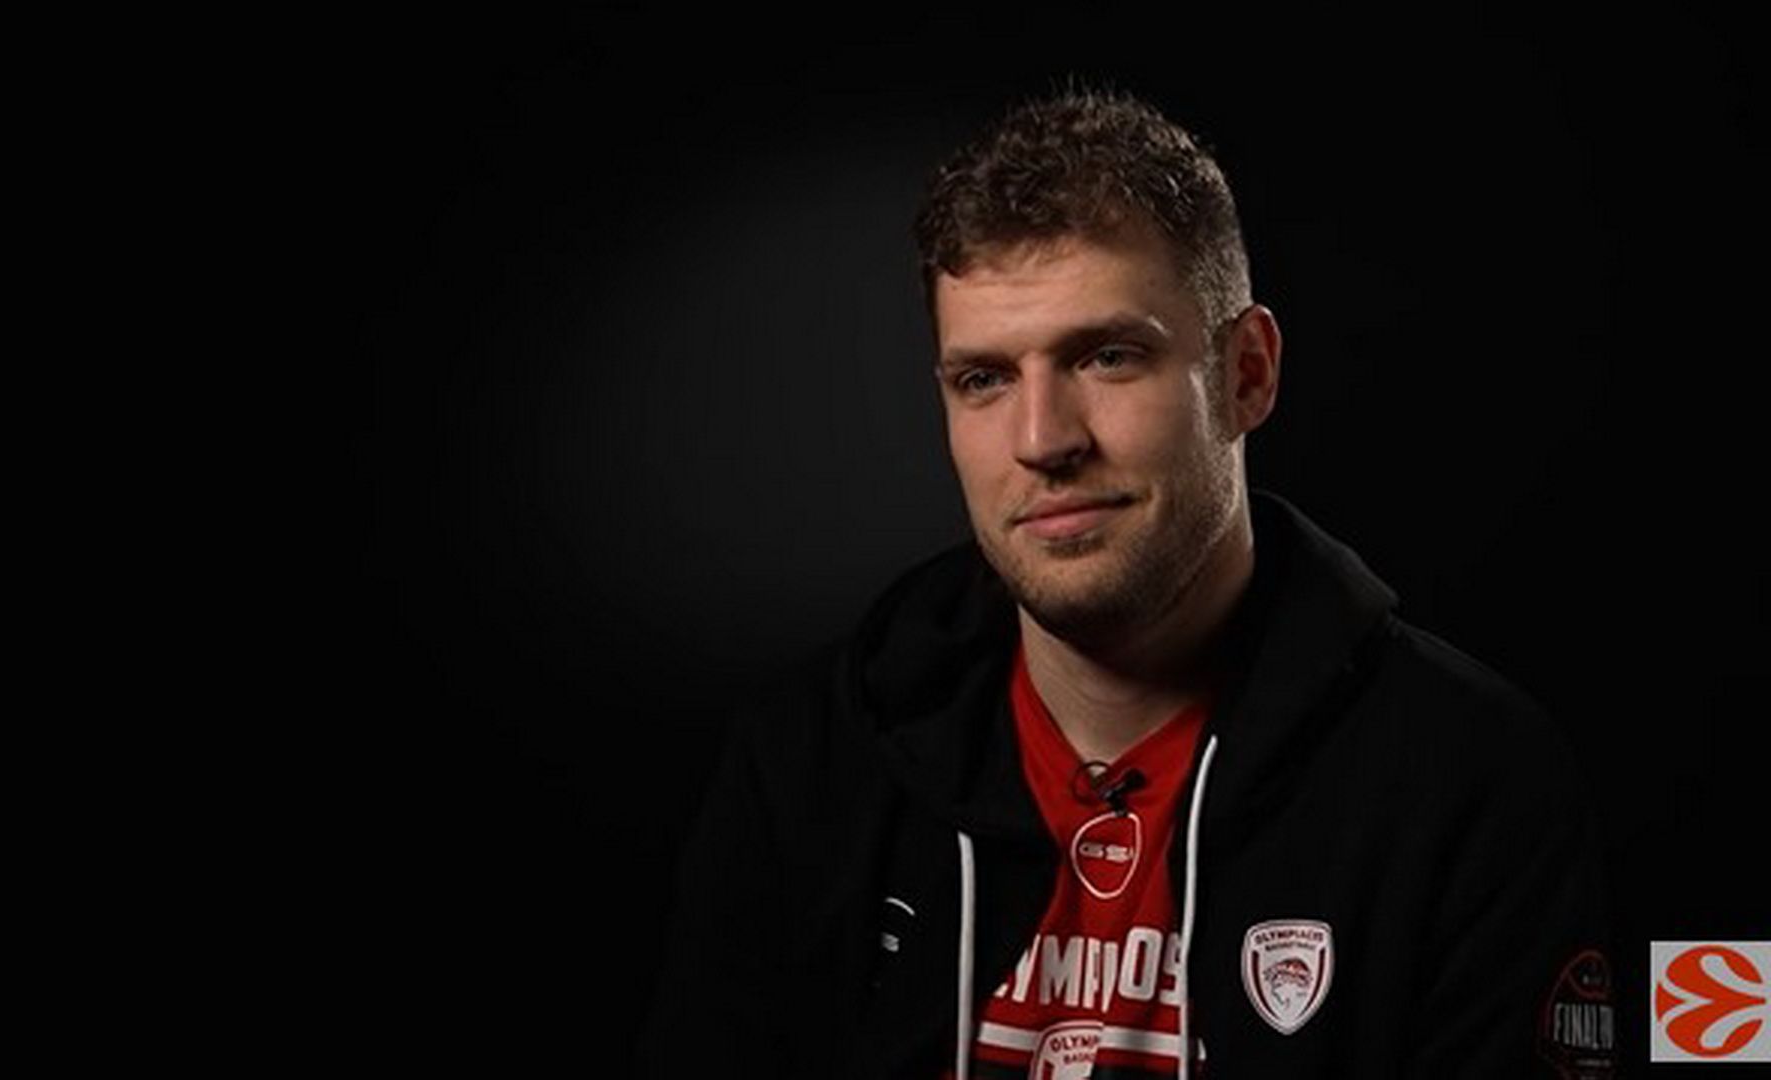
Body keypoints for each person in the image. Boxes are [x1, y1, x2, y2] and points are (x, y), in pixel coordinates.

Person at [634, 83, 1617, 1079]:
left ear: (1246, 374)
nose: (1042, 440)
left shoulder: (1469, 787)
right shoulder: (807, 770)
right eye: (985, 378)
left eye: (1107, 357)